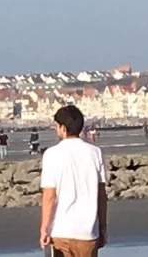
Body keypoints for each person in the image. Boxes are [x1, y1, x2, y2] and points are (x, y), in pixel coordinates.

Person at [40, 105, 107, 257]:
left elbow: (49, 195)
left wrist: (44, 228)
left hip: (60, 230)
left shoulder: (51, 154)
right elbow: (101, 195)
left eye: (57, 126)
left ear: (63, 128)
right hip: (88, 231)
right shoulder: (95, 152)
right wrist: (103, 227)